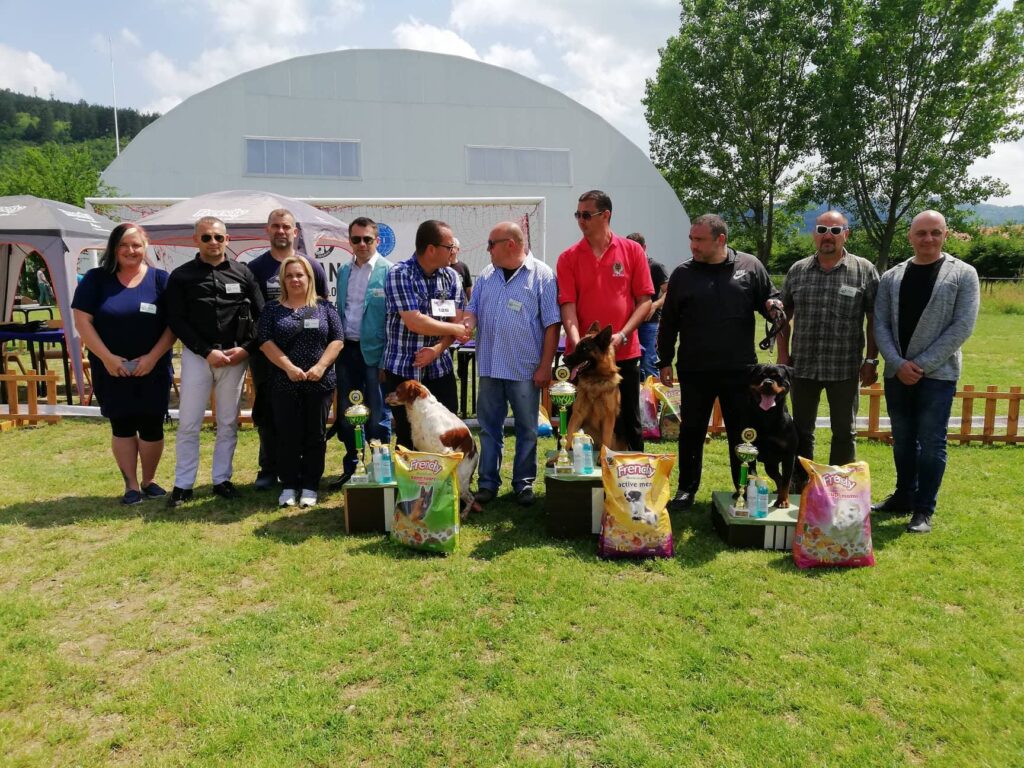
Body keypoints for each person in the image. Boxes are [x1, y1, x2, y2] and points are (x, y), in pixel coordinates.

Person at [657, 214, 782, 510]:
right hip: (695, 369)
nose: (693, 245)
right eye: (691, 238)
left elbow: (771, 298)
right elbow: (668, 322)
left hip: (740, 370)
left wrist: (774, 307)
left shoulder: (750, 267)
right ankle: (686, 490)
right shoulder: (682, 274)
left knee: (743, 432)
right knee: (691, 431)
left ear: (720, 239)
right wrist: (664, 360)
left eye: (699, 239)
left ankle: (746, 486)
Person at [872, 210, 980, 533]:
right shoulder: (892, 276)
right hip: (897, 374)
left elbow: (962, 326)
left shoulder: (964, 274)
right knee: (903, 440)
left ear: (945, 234)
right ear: (910, 236)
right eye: (921, 233)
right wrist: (897, 363)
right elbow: (880, 323)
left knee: (932, 443)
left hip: (938, 375)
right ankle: (904, 495)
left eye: (935, 232)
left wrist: (920, 366)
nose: (928, 239)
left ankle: (923, 509)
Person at [72, 223, 176, 505]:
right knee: (123, 425)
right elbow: (82, 321)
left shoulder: (160, 280)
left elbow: (172, 325)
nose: (131, 251)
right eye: (124, 245)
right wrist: (107, 358)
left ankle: (149, 480)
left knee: (152, 425)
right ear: (114, 249)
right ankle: (130, 485)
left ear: (145, 247)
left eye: (137, 245)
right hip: (110, 368)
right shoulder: (96, 279)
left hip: (152, 369)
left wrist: (152, 358)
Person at [164, 217, 264, 506]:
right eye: (206, 237)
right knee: (189, 422)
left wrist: (245, 350)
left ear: (227, 240)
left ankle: (222, 479)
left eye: (218, 237)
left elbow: (261, 315)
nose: (213, 243)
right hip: (198, 356)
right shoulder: (181, 276)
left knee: (228, 421)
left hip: (235, 357)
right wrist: (206, 351)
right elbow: (177, 320)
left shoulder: (243, 273)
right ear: (195, 240)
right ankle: (183, 485)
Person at [777, 211, 880, 483]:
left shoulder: (864, 270)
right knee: (800, 430)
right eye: (822, 229)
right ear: (814, 234)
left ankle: (839, 486)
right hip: (802, 366)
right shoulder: (798, 270)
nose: (828, 236)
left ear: (846, 234)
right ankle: (800, 482)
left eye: (836, 230)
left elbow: (874, 319)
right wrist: (783, 356)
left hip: (844, 366)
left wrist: (871, 360)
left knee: (844, 432)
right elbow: (782, 316)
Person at [463, 221, 560, 507]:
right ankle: (488, 483)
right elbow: (472, 311)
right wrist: (466, 324)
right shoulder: (486, 275)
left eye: (491, 244)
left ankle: (523, 484)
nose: (488, 249)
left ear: (511, 244)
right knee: (489, 428)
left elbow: (552, 324)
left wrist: (546, 366)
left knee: (527, 429)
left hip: (525, 368)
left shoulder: (542, 275)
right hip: (491, 367)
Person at [557, 190, 653, 451]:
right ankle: (579, 482)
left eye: (586, 215)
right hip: (584, 359)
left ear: (606, 215)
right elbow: (568, 305)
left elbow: (644, 301)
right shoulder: (568, 257)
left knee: (627, 420)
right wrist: (578, 344)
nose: (580, 220)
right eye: (577, 214)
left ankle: (632, 483)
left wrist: (622, 335)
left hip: (623, 354)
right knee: (578, 419)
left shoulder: (632, 250)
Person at [246, 209, 329, 491]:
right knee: (270, 413)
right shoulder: (255, 268)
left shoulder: (313, 267)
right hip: (268, 355)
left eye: (286, 227)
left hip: (309, 357)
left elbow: (322, 309)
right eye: (275, 227)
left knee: (308, 418)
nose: (281, 231)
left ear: (296, 232)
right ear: (267, 231)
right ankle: (269, 468)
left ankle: (305, 473)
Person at [257, 256, 344, 508]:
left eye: (300, 275)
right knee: (287, 435)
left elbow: (337, 340)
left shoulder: (325, 308)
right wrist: (289, 368)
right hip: (284, 382)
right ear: (283, 280)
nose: (295, 280)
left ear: (310, 278)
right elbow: (265, 341)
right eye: (290, 275)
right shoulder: (272, 309)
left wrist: (320, 367)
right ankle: (289, 485)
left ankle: (310, 485)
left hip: (319, 382)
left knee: (315, 435)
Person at [381, 219, 470, 449]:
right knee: (407, 436)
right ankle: (410, 485)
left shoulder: (451, 277)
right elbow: (414, 321)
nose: (453, 251)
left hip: (440, 369)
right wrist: (455, 329)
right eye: (449, 247)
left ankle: (445, 485)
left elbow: (455, 321)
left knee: (445, 435)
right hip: (403, 371)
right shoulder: (400, 273)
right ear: (431, 249)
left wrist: (437, 350)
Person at [329, 216, 393, 489]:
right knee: (348, 413)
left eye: (368, 239)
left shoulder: (389, 271)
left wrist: (387, 359)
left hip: (376, 354)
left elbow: (393, 320)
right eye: (357, 239)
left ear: (377, 241)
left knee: (379, 415)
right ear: (350, 242)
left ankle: (382, 469)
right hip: (347, 352)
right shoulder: (344, 271)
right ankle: (352, 466)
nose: (363, 243)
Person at [625, 232, 669, 380]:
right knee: (630, 364)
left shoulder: (656, 266)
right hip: (629, 323)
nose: (633, 253)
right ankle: (639, 400)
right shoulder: (624, 266)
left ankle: (653, 402)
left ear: (644, 247)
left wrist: (655, 305)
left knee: (648, 362)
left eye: (636, 248)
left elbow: (668, 292)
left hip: (649, 323)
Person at [448, 237, 473, 302]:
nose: (450, 249)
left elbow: (468, 289)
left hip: (460, 306)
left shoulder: (463, 267)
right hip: (446, 306)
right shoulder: (442, 267)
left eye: (452, 246)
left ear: (458, 250)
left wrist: (470, 305)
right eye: (448, 247)